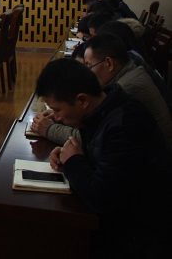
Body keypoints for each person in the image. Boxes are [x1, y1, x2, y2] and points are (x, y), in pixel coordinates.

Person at [37, 59, 172, 258]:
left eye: (57, 109)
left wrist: (74, 161)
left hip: (141, 237)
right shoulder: (105, 109)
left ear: (82, 100)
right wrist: (73, 155)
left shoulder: (125, 123)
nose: (56, 118)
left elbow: (103, 198)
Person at [32, 34, 172, 154]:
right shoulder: (128, 74)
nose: (86, 73)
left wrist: (49, 129)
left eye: (89, 65)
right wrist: (64, 114)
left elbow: (95, 138)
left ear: (109, 63)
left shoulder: (126, 89)